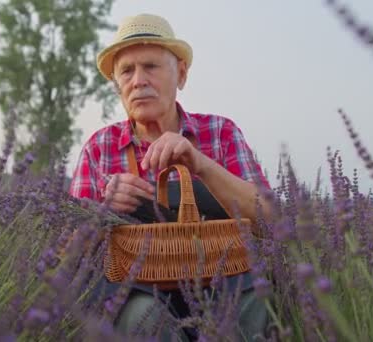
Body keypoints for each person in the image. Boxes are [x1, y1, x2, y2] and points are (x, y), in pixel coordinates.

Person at [69, 13, 272, 341]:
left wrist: (201, 164)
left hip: (226, 283)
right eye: (126, 71)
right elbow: (69, 253)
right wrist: (103, 210)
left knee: (254, 304)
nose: (138, 80)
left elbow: (272, 218)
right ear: (117, 85)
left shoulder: (220, 133)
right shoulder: (99, 148)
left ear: (181, 74)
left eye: (151, 66)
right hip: (138, 292)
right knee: (141, 319)